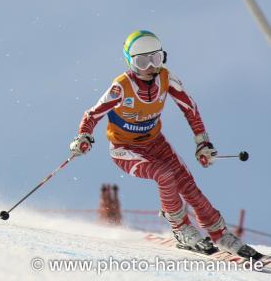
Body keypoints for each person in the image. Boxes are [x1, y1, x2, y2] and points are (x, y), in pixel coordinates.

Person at [69, 30, 261, 258]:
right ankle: (181, 230)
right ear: (131, 63)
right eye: (142, 61)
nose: (151, 67)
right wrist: (84, 136)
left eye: (156, 59)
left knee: (189, 187)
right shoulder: (121, 87)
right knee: (164, 175)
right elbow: (92, 114)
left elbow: (190, 108)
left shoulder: (166, 79)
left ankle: (220, 234)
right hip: (125, 150)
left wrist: (202, 142)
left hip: (156, 143)